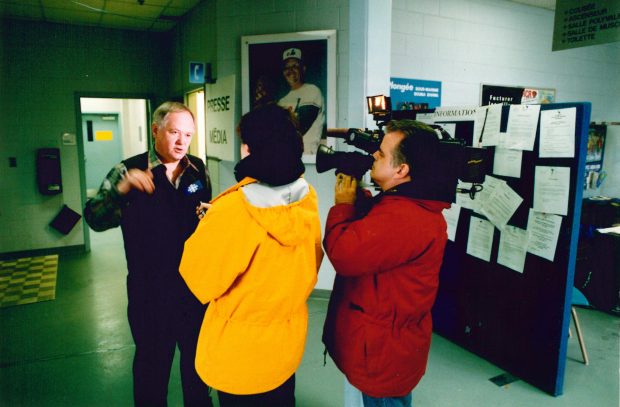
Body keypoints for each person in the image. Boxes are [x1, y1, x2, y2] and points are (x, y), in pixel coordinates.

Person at [179, 103, 323, 407]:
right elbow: (311, 259)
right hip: (285, 346)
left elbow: (199, 279)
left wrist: (213, 225)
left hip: (239, 357)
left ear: (248, 149)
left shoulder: (234, 210)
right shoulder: (306, 197)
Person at [84, 101, 213, 407]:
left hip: (193, 289)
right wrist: (121, 190)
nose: (182, 141)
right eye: (174, 132)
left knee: (198, 370)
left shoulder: (198, 169)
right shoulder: (126, 170)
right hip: (149, 292)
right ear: (156, 130)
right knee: (151, 374)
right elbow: (94, 218)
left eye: (188, 134)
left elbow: (205, 221)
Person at [322, 120, 453, 407]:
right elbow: (378, 236)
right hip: (389, 346)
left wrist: (343, 205)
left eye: (380, 154)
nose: (373, 157)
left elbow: (344, 254)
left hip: (381, 354)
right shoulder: (406, 204)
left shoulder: (405, 217)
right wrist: (361, 200)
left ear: (401, 170)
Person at [278, 47, 325, 155]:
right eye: (286, 67)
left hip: (307, 156)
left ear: (303, 68)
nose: (290, 70)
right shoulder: (282, 101)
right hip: (286, 157)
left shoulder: (312, 90)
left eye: (295, 66)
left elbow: (300, 126)